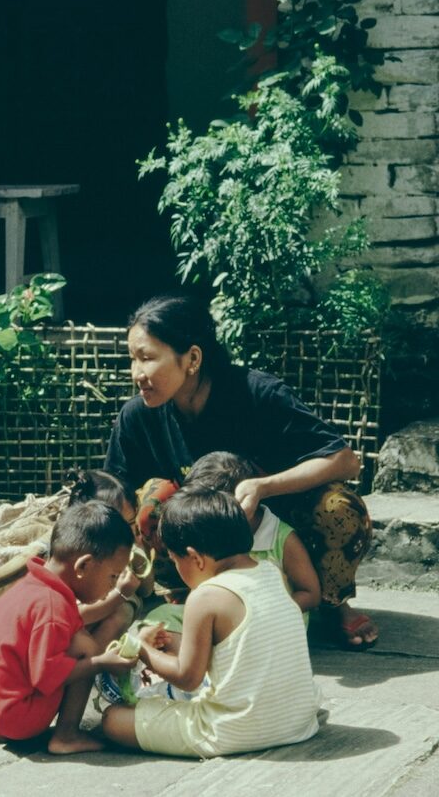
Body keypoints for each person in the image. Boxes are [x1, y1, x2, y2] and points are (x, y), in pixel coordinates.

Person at [105, 295, 377, 649]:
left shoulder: (257, 394)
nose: (137, 373)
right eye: (132, 359)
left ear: (192, 359)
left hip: (276, 531)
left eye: (147, 358)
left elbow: (344, 460)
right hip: (202, 537)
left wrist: (264, 487)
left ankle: (331, 602)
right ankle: (186, 595)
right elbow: (115, 492)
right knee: (149, 498)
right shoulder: (138, 415)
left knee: (340, 508)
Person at [101, 489, 322, 757]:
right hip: (299, 723)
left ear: (195, 558)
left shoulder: (205, 596)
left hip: (231, 732)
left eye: (174, 560)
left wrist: (141, 648)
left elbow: (188, 678)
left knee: (113, 719)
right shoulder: (272, 573)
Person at [0, 500, 137, 753]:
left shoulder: (32, 586)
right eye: (113, 576)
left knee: (78, 638)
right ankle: (66, 736)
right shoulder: (52, 606)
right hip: (18, 717)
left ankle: (22, 729)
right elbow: (46, 676)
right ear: (84, 566)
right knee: (86, 648)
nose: (113, 584)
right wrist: (101, 662)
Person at [185, 451, 321, 617]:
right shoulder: (210, 535)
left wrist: (268, 614)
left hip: (274, 627)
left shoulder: (281, 539)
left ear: (244, 503)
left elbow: (311, 594)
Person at [63, 469, 145, 649]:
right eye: (122, 526)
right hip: (76, 631)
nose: (130, 532)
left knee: (124, 609)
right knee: (120, 612)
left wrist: (142, 564)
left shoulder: (122, 548)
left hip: (112, 608)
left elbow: (146, 590)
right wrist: (120, 595)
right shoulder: (83, 559)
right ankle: (89, 670)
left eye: (131, 523)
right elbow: (76, 616)